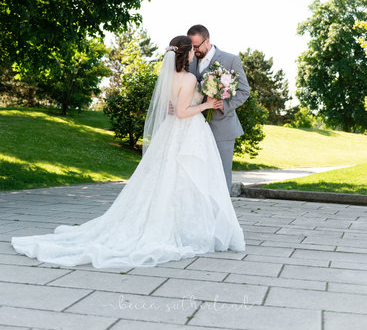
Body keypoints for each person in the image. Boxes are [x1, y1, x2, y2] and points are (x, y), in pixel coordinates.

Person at [10, 35, 246, 268]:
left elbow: (173, 107)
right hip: (187, 131)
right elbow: (183, 112)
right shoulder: (190, 79)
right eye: (192, 50)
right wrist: (207, 104)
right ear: (186, 53)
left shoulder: (170, 77)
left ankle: (176, 224)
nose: (195, 52)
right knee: (186, 179)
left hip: (171, 132)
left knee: (168, 179)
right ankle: (186, 229)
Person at [187, 25, 250, 195]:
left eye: (196, 46)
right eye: (191, 47)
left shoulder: (231, 60)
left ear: (207, 41)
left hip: (222, 127)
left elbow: (244, 91)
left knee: (221, 176)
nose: (194, 50)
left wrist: (225, 105)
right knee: (198, 175)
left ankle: (221, 219)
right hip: (194, 127)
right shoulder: (190, 60)